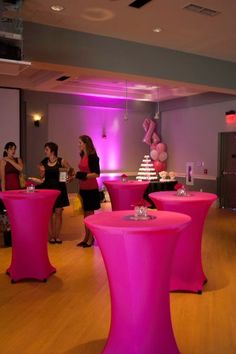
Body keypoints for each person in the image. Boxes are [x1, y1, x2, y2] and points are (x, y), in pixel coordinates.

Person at [37, 142, 74, 244]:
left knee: (58, 213)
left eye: (47, 150)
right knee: (49, 214)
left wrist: (69, 178)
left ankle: (57, 236)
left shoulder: (61, 161)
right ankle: (51, 236)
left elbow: (71, 171)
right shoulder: (44, 162)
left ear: (52, 151)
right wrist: (42, 171)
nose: (45, 151)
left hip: (59, 190)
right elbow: (41, 177)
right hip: (47, 191)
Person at [75, 135, 101, 248]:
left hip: (91, 188)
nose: (78, 144)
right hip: (83, 188)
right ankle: (86, 237)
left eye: (80, 142)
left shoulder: (93, 156)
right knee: (85, 214)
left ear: (86, 143)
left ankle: (91, 238)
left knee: (90, 215)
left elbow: (97, 174)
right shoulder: (82, 155)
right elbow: (82, 172)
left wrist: (82, 175)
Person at [0, 142, 23, 247]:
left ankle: (18, 239)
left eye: (14, 149)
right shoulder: (2, 162)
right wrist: (3, 193)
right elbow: (2, 179)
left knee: (18, 216)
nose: (13, 151)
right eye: (11, 149)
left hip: (18, 191)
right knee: (7, 216)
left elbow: (20, 169)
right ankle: (8, 241)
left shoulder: (18, 160)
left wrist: (9, 159)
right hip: (8, 191)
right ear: (6, 150)